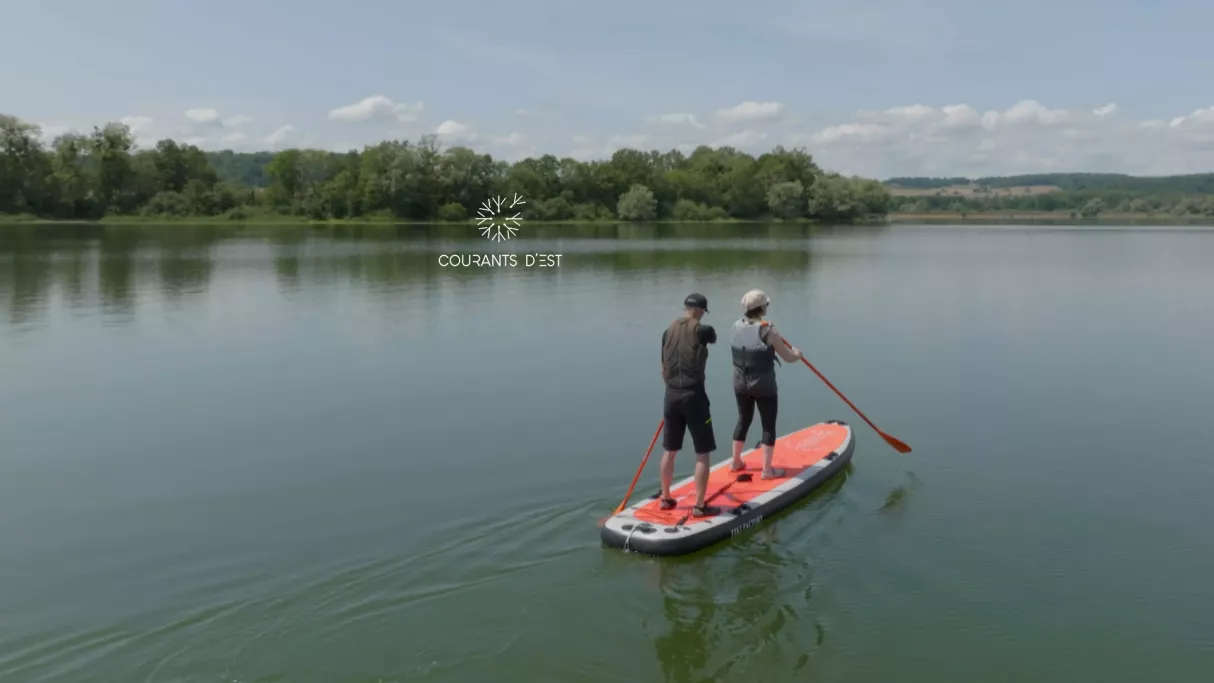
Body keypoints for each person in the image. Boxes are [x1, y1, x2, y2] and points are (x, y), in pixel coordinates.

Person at [658, 293, 721, 517]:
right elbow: (712, 338)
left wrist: (673, 393)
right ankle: (700, 506)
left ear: (685, 307)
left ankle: (665, 498)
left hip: (671, 395)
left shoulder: (667, 332)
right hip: (694, 396)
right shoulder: (703, 330)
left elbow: (663, 369)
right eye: (703, 311)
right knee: (702, 453)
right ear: (700, 310)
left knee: (670, 450)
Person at [728, 289, 802, 479]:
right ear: (761, 308)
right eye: (766, 304)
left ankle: (735, 462)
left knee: (743, 420)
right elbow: (788, 357)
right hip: (763, 385)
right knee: (768, 426)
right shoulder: (767, 330)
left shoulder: (736, 325)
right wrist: (797, 354)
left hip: (740, 383)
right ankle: (767, 470)